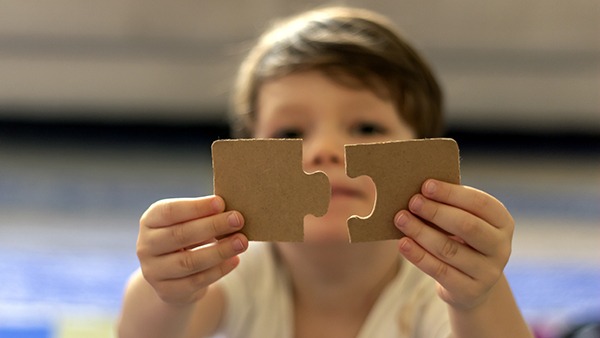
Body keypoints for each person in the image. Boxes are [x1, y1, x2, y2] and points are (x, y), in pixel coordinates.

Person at [118, 6, 533, 338]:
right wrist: (168, 293)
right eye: (290, 133)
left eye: (367, 128)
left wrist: (478, 298)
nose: (326, 152)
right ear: (249, 156)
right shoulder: (237, 268)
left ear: (422, 152)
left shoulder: (439, 286)